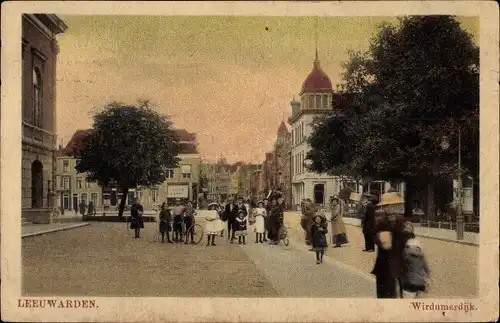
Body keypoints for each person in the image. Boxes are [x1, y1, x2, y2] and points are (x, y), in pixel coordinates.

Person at [371, 192, 406, 298]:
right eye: (386, 206)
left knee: (398, 289)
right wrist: (380, 239)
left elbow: (406, 238)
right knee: (383, 291)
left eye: (392, 206)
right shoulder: (380, 220)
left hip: (397, 259)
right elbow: (374, 236)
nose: (389, 208)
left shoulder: (401, 221)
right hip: (383, 261)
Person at [401, 225, 430, 298]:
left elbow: (402, 268)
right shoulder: (421, 256)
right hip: (420, 283)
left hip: (409, 283)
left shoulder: (406, 255)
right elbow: (427, 269)